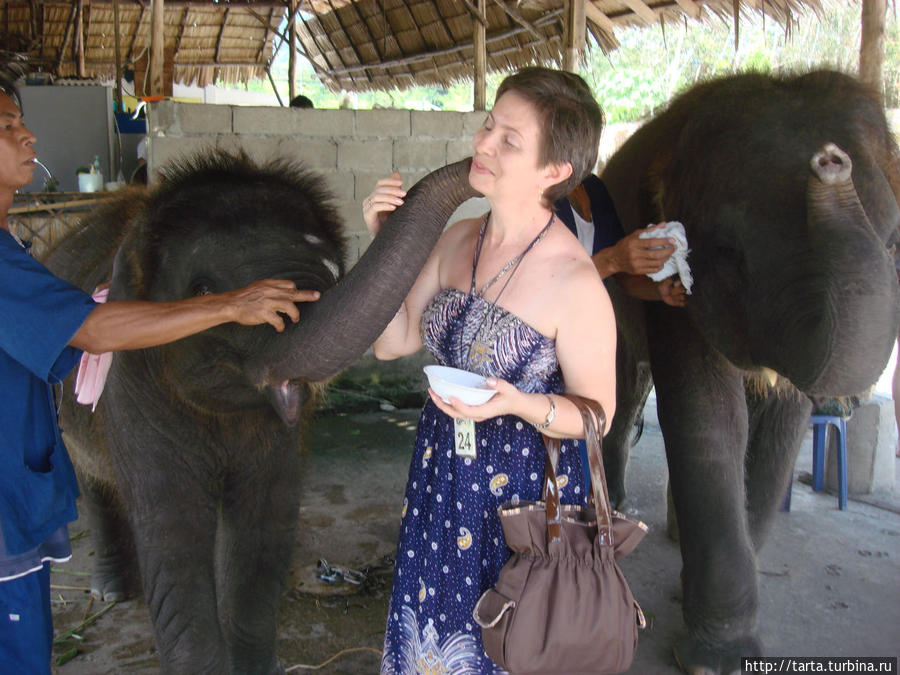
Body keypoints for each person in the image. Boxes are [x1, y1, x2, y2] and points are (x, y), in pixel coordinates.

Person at [0, 77, 319, 674]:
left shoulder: (9, 245)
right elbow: (91, 331)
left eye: (20, 120)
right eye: (5, 126)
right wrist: (229, 305)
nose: (27, 134)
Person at [365, 67, 616, 674]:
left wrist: (517, 404)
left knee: (503, 644)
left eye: (510, 140)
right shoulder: (457, 238)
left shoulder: (573, 281)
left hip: (517, 504)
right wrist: (382, 247)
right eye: (488, 125)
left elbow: (596, 417)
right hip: (440, 479)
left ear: (555, 171)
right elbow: (391, 342)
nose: (483, 144)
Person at [555, 173, 686, 305]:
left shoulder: (593, 186)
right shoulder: (539, 194)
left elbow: (623, 275)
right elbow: (547, 289)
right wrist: (612, 260)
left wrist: (658, 289)